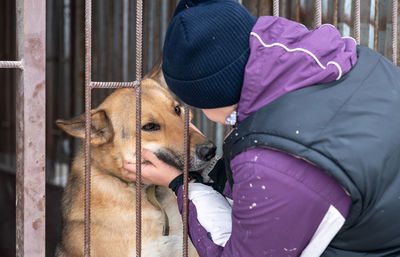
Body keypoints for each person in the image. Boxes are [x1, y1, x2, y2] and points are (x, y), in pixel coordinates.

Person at [123, 0, 400, 256]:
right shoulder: (354, 60)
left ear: (214, 93)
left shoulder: (274, 164)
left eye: (185, 106)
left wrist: (182, 184)